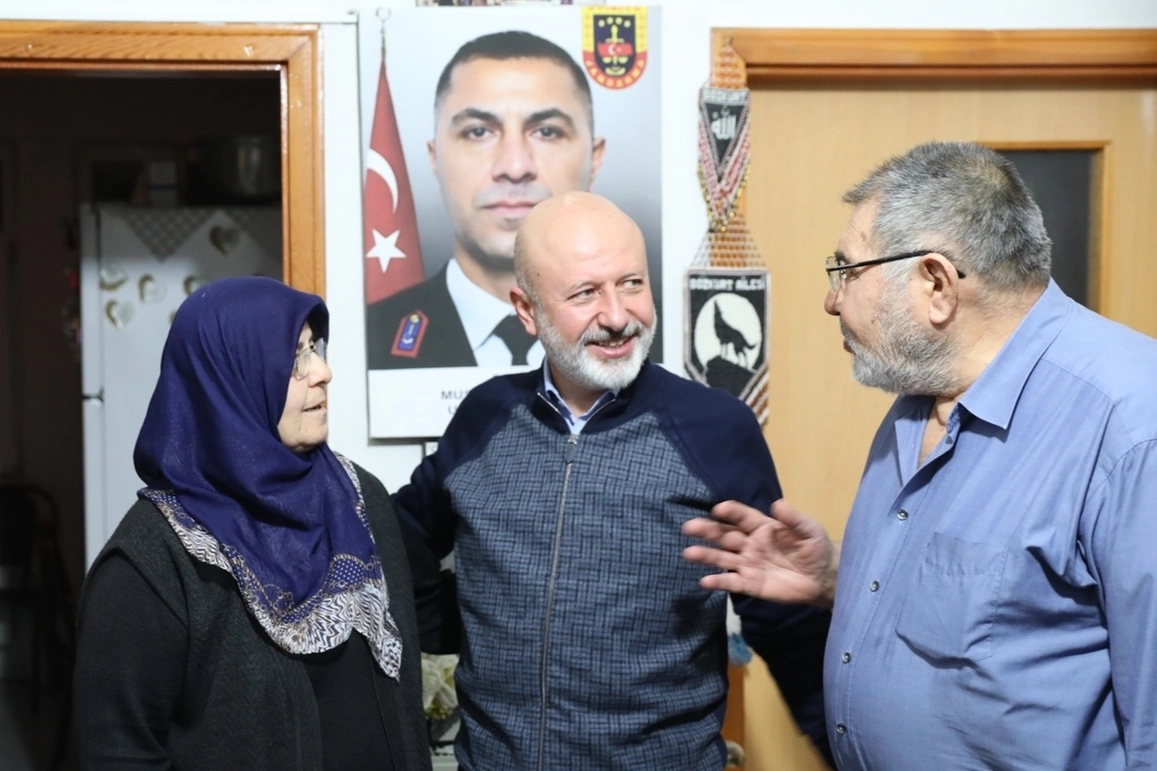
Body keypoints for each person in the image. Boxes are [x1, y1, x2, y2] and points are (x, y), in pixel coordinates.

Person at [683, 141, 1157, 769]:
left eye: (847, 270)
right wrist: (836, 578)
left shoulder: (1131, 427)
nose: (832, 299)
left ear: (935, 284)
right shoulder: (920, 397)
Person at [394, 192, 832, 770]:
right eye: (585, 293)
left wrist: (846, 749)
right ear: (526, 309)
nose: (618, 316)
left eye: (631, 284)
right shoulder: (485, 416)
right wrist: (468, 625)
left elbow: (783, 617)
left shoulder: (714, 428)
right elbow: (399, 541)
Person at [72, 277, 441, 770]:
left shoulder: (360, 498)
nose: (323, 372)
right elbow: (116, 751)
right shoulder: (153, 558)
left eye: (315, 348)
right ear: (230, 381)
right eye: (294, 358)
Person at [366, 30, 605, 369]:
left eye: (546, 131)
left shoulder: (646, 334)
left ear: (595, 159)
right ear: (434, 158)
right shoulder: (369, 335)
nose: (514, 167)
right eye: (478, 132)